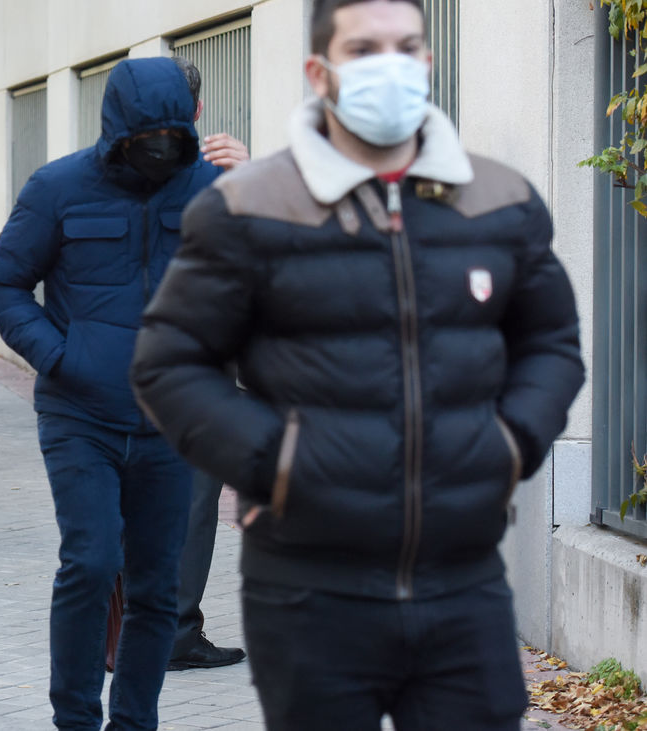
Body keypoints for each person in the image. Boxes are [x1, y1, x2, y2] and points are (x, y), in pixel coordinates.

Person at [130, 1, 585, 728]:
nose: (390, 65)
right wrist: (276, 462)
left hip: (463, 583)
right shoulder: (250, 206)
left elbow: (552, 342)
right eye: (365, 47)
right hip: (310, 591)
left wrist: (510, 442)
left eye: (407, 47)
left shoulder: (500, 201)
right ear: (320, 71)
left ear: (428, 64)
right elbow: (169, 362)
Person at [0, 57, 223, 731]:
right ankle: (76, 719)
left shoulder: (213, 191)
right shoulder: (58, 188)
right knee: (90, 560)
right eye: (148, 139)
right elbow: (0, 283)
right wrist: (59, 356)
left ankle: (134, 721)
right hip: (80, 413)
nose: (160, 153)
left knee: (157, 589)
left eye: (172, 139)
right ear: (117, 128)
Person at [164, 55, 247, 673]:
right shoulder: (220, 172)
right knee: (192, 501)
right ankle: (174, 634)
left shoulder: (97, 171)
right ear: (197, 108)